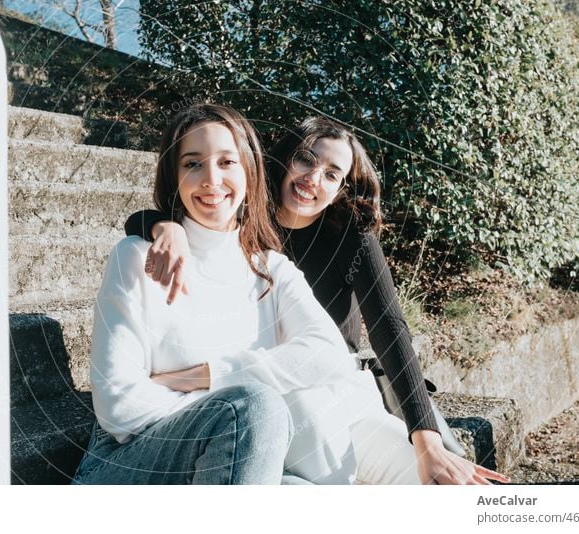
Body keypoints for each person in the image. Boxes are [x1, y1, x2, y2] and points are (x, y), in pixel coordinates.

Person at [124, 115, 510, 485]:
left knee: (444, 482)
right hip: (262, 394)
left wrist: (425, 437)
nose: (313, 179)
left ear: (342, 187)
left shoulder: (352, 238)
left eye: (331, 174)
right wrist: (166, 225)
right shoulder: (241, 219)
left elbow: (389, 328)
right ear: (285, 157)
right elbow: (149, 218)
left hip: (338, 388)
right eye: (306, 159)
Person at [73, 103, 380, 485]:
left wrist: (202, 377)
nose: (211, 179)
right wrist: (227, 410)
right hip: (128, 465)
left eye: (227, 162)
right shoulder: (137, 259)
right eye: (192, 163)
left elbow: (327, 355)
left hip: (229, 460)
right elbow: (120, 407)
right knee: (258, 408)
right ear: (175, 178)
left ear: (250, 173)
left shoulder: (271, 270)